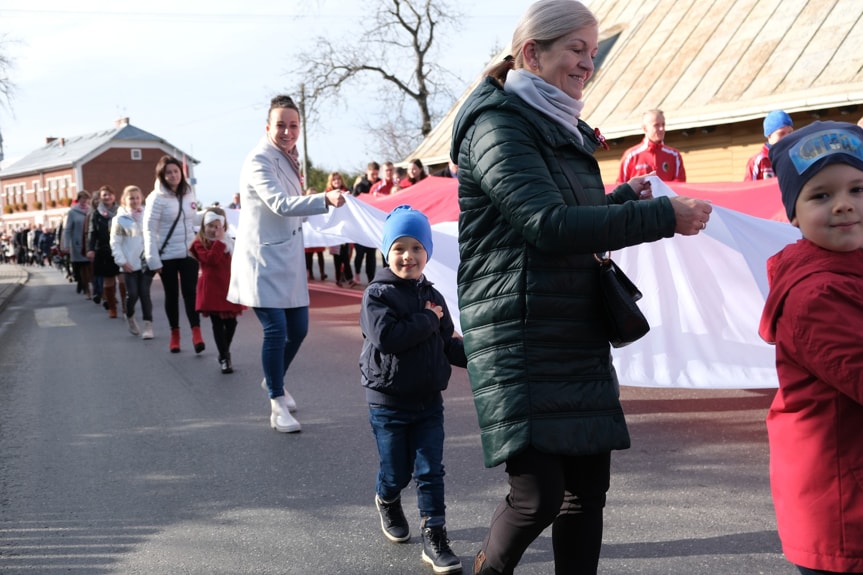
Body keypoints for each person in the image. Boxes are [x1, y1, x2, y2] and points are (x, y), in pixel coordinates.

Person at [450, 1, 712, 573]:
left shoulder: (557, 121)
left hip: (572, 323)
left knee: (586, 491)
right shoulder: (497, 124)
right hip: (520, 330)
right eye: (576, 49)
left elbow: (570, 210)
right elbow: (546, 224)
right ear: (531, 54)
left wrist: (624, 201)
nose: (587, 63)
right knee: (538, 496)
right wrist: (663, 217)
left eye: (592, 52)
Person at [758, 120, 863, 575]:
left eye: (858, 189)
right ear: (794, 213)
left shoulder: (851, 265)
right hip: (843, 508)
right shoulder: (815, 296)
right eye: (821, 195)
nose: (844, 205)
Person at [227, 94, 346, 433]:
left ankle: (272, 380)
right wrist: (323, 199)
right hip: (262, 260)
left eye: (293, 125)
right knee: (276, 330)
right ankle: (277, 403)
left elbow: (293, 208)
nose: (287, 131)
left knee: (300, 329)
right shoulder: (259, 160)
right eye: (281, 125)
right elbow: (280, 203)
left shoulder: (289, 158)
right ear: (268, 127)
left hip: (288, 257)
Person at [360, 205, 466, 574]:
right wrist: (426, 318)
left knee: (429, 471)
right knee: (397, 471)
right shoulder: (377, 294)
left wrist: (485, 354)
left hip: (428, 401)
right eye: (400, 248)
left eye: (417, 248)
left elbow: (447, 344)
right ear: (387, 252)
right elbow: (388, 337)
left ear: (427, 253)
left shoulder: (433, 296)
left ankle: (434, 536)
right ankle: (387, 498)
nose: (409, 256)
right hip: (387, 402)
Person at [143, 154, 205, 354]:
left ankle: (196, 333)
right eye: (168, 172)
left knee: (190, 293)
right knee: (171, 295)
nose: (173, 175)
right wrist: (153, 259)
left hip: (188, 251)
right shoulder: (156, 198)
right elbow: (149, 230)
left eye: (176, 171)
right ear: (162, 175)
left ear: (181, 172)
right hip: (166, 254)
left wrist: (213, 216)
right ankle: (175, 335)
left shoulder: (189, 193)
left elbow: (192, 219)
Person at [190, 207, 244, 375]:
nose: (214, 230)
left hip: (229, 287)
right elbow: (211, 260)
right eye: (210, 226)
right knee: (218, 324)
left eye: (218, 226)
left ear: (224, 226)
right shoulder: (199, 243)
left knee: (232, 323)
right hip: (211, 288)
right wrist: (219, 242)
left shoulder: (231, 241)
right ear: (204, 226)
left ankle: (223, 352)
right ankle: (225, 358)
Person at [110, 185, 155, 339]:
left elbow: (154, 236)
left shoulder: (147, 215)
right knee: (133, 294)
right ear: (124, 200)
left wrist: (154, 257)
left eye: (137, 197)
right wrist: (122, 261)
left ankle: (148, 326)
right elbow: (115, 243)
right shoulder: (120, 220)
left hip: (146, 262)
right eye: (131, 198)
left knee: (144, 293)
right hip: (129, 264)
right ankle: (129, 316)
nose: (135, 201)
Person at [616, 108, 687, 183]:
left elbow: (680, 185)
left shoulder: (674, 155)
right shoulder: (631, 156)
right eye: (656, 125)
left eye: (663, 124)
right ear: (645, 128)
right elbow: (621, 186)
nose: (661, 128)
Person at [87, 185, 123, 318]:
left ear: (114, 196)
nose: (107, 197)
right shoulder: (96, 214)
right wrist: (91, 249)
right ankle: (112, 308)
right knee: (108, 281)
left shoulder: (121, 211)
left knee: (122, 279)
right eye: (104, 195)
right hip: (103, 250)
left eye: (109, 194)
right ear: (100, 198)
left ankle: (125, 306)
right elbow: (92, 232)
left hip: (120, 249)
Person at [324, 172, 357, 288]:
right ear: (331, 182)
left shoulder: (346, 193)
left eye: (338, 179)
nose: (336, 181)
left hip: (345, 229)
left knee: (345, 256)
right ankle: (338, 278)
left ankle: (349, 278)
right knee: (337, 257)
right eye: (334, 180)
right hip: (334, 231)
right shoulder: (327, 194)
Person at [744, 110, 794, 180]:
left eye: (790, 132)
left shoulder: (795, 158)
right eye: (781, 133)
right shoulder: (759, 161)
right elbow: (749, 188)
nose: (787, 137)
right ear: (769, 135)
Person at [353, 162, 381, 283]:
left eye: (376, 173)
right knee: (360, 253)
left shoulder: (381, 184)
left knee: (371, 254)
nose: (374, 176)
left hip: (373, 225)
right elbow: (354, 202)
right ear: (367, 172)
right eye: (372, 173)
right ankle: (357, 272)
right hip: (361, 225)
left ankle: (371, 279)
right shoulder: (360, 186)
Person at [61, 191, 92, 299]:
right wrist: (66, 244)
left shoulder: (91, 211)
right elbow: (68, 229)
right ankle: (87, 290)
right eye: (82, 199)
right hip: (77, 243)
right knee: (83, 268)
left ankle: (95, 288)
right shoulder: (72, 212)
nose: (84, 201)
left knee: (91, 267)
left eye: (86, 199)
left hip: (90, 242)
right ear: (78, 200)